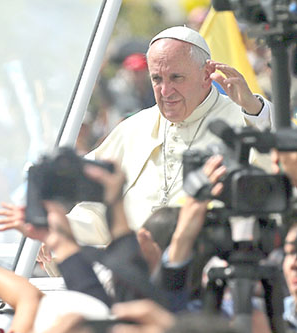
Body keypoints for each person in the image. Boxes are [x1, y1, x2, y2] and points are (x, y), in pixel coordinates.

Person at [67, 26, 274, 245]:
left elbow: (277, 166)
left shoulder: (244, 117)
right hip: (134, 269)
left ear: (206, 75)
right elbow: (96, 209)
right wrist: (63, 231)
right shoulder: (133, 128)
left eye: (176, 78)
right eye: (157, 79)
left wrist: (254, 110)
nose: (165, 91)